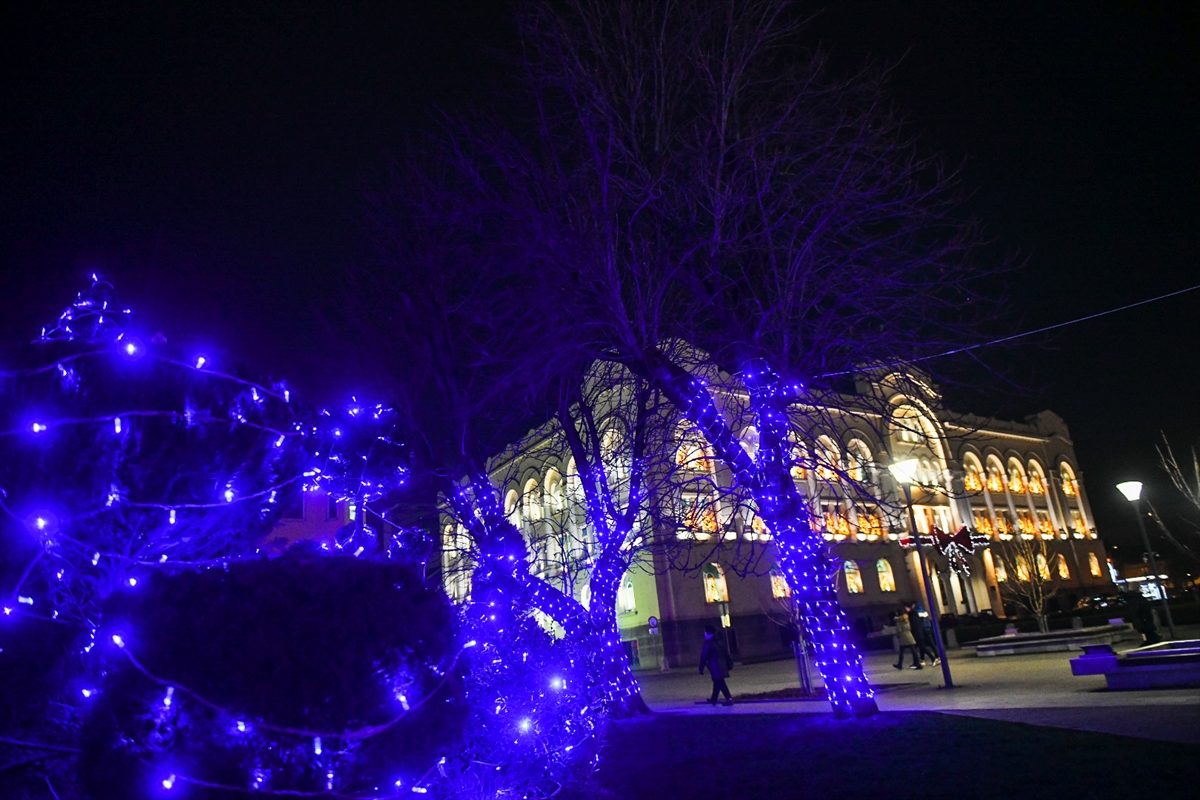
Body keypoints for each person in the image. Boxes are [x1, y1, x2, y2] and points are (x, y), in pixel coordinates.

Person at [699, 624, 735, 705]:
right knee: (717, 682)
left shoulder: (708, 643)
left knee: (720, 682)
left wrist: (700, 668)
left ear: (707, 633)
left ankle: (729, 698)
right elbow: (726, 653)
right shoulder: (720, 640)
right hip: (722, 664)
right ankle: (713, 699)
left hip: (715, 665)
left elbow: (704, 656)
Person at [906, 601, 939, 666]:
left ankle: (926, 659)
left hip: (922, 631)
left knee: (922, 646)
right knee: (929, 645)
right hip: (927, 629)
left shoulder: (915, 613)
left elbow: (916, 624)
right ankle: (932, 657)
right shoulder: (923, 611)